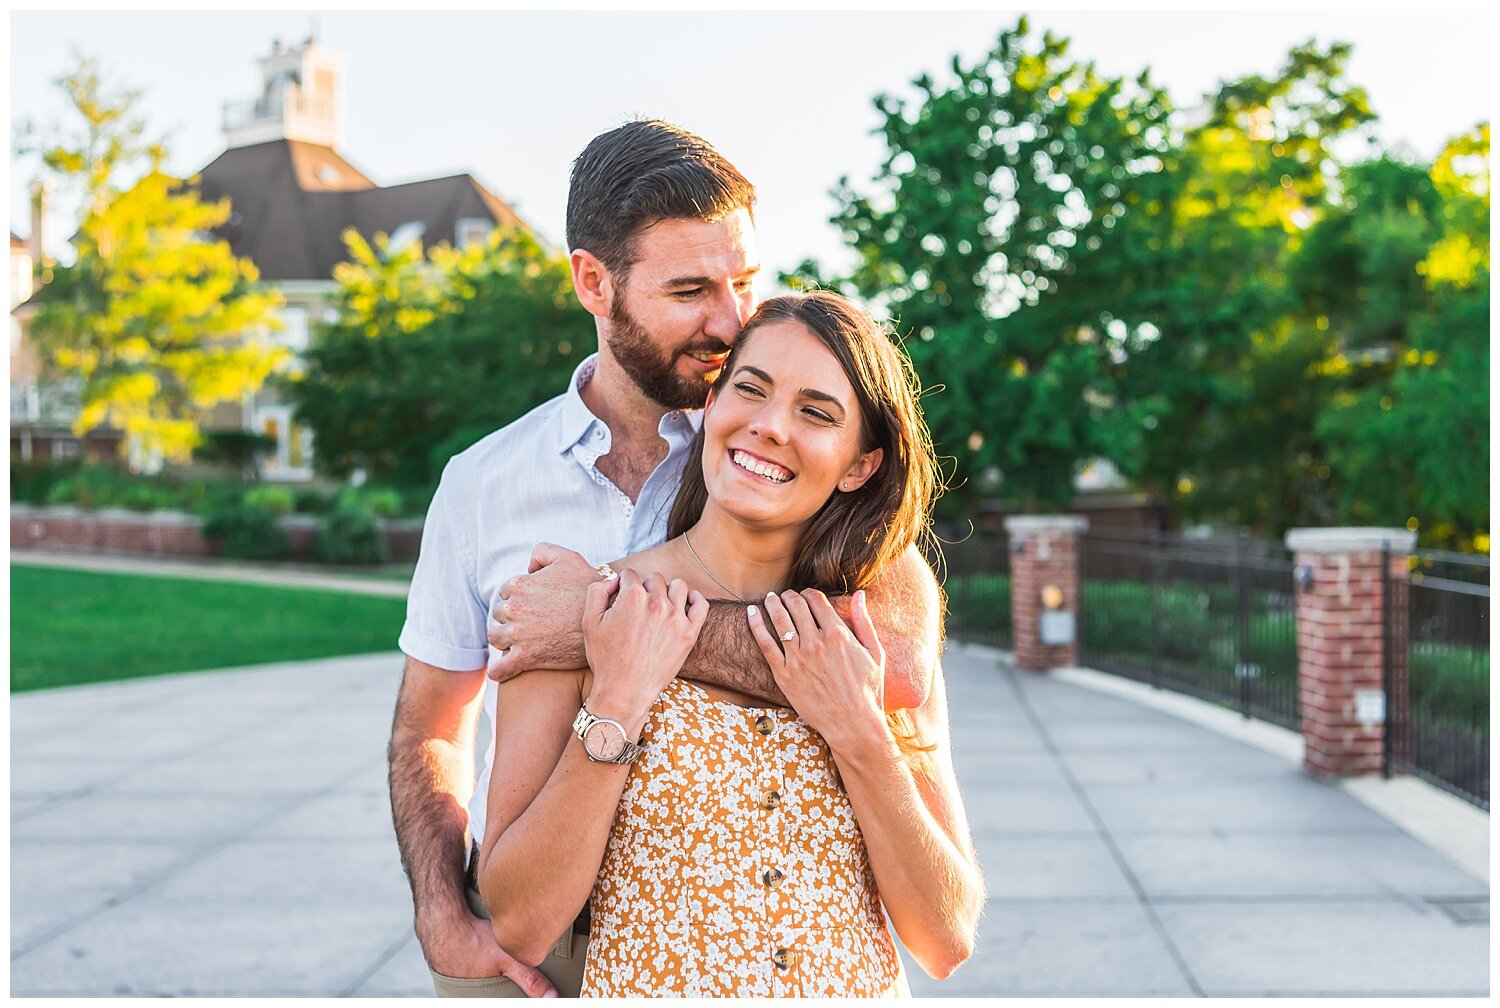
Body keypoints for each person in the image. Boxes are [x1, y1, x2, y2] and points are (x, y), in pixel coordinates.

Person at [388, 120, 943, 997]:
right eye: (691, 289)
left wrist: (595, 619)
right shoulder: (483, 484)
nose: (730, 319)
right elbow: (429, 725)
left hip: (735, 934)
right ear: (594, 282)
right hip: (530, 932)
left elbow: (896, 667)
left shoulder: (765, 445)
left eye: (744, 281)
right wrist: (436, 909)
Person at [476, 290, 984, 996]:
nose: (771, 426)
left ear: (859, 465)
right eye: (750, 389)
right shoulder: (580, 616)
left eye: (816, 412)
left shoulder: (872, 636)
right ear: (711, 407)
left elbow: (946, 937)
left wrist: (857, 731)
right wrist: (619, 701)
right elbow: (521, 925)